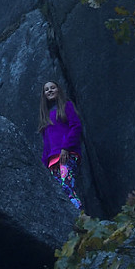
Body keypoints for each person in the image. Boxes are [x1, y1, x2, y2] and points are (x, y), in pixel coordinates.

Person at [39, 80, 83, 210]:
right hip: (52, 161)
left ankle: (80, 218)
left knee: (66, 186)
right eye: (47, 89)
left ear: (58, 90)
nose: (50, 90)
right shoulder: (45, 117)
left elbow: (76, 127)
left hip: (66, 155)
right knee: (59, 191)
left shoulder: (66, 106)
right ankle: (74, 220)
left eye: (53, 87)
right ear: (44, 95)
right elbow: (46, 145)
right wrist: (43, 166)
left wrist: (66, 147)